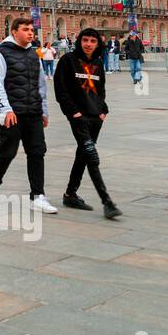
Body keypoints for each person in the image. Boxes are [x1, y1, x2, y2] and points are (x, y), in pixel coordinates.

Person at [0, 17, 58, 215]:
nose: (30, 33)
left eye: (31, 30)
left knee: (37, 151)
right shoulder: (1, 52)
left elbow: (41, 84)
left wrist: (44, 110)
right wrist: (5, 110)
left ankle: (38, 196)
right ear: (14, 31)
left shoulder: (34, 54)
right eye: (26, 29)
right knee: (7, 151)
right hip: (10, 111)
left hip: (32, 110)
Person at [54, 27, 120, 219]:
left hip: (95, 117)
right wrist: (73, 112)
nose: (89, 44)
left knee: (83, 154)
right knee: (91, 155)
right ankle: (107, 201)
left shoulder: (98, 63)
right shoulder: (68, 61)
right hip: (78, 117)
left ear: (97, 44)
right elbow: (61, 90)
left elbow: (101, 89)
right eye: (85, 40)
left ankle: (70, 194)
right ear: (79, 41)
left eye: (92, 41)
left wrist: (102, 111)